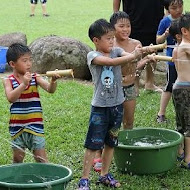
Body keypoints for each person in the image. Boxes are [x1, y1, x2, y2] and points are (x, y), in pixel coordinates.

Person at [78, 18, 142, 190]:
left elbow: (127, 57)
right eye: (108, 38)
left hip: (117, 105)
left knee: (111, 142)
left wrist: (137, 53)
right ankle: (84, 179)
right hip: (100, 107)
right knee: (93, 144)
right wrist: (134, 56)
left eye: (113, 37)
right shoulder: (93, 56)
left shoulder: (116, 50)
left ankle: (104, 174)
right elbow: (112, 63)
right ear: (96, 41)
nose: (112, 41)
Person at [3, 43, 60, 163]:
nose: (29, 63)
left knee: (41, 158)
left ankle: (46, 180)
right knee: (18, 158)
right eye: (24, 60)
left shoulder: (35, 77)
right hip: (17, 127)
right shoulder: (8, 80)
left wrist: (53, 81)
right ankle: (17, 179)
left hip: (35, 126)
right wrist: (23, 84)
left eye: (30, 59)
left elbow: (50, 90)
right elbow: (11, 98)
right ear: (12, 64)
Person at [110, 11, 157, 130]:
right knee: (113, 123)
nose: (125, 29)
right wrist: (132, 56)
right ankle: (111, 147)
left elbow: (135, 67)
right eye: (121, 26)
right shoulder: (110, 45)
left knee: (129, 122)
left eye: (128, 26)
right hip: (114, 88)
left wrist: (147, 59)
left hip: (130, 87)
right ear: (112, 28)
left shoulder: (136, 43)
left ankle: (127, 146)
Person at [113, 0, 164, 93]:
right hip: (133, 16)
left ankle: (150, 82)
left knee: (152, 48)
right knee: (134, 49)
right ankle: (133, 83)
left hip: (155, 15)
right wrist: (116, 15)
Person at [156, 0, 183, 123]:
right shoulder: (165, 21)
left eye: (180, 6)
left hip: (185, 60)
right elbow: (158, 40)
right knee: (169, 86)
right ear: (167, 9)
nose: (178, 10)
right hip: (172, 61)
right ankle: (161, 114)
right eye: (174, 7)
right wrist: (165, 35)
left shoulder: (185, 20)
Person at [172, 13, 190, 168]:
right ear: (185, 31)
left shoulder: (178, 48)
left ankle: (180, 153)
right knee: (187, 125)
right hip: (185, 90)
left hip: (180, 89)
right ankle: (187, 159)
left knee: (183, 123)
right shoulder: (185, 46)